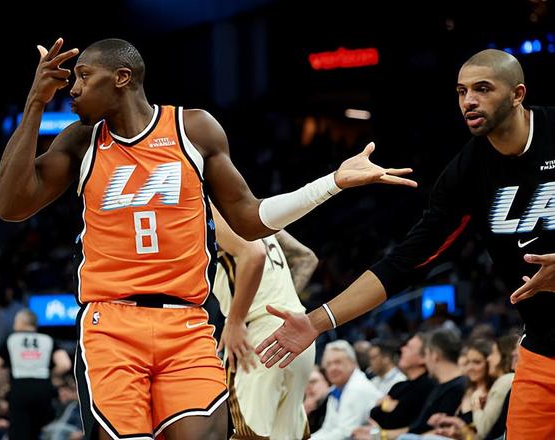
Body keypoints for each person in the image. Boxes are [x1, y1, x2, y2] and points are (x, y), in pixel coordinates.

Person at [0, 37, 416, 440]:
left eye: (84, 76)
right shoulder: (81, 140)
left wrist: (332, 182)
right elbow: (11, 205)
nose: (73, 88)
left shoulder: (193, 129)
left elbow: (251, 220)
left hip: (187, 324)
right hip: (111, 324)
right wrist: (35, 102)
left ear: (122, 77)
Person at [255, 48, 555, 439]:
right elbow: (405, 262)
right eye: (461, 91)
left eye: (483, 89)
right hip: (542, 349)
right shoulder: (466, 172)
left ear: (517, 94)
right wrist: (315, 322)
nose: (469, 100)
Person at [211, 205, 318, 439]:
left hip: (256, 331)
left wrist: (236, 320)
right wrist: (278, 307)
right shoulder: (256, 214)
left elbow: (254, 255)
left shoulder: (210, 210)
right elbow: (306, 258)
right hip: (298, 326)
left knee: (245, 433)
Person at [0, 309, 73, 440]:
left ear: (22, 322)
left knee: (19, 434)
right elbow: (65, 364)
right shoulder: (47, 339)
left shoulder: (11, 339)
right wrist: (50, 376)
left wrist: (7, 381)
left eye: (15, 321)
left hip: (20, 389)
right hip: (43, 390)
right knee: (40, 433)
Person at [310, 340, 382, 440]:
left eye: (338, 362)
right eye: (328, 364)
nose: (332, 368)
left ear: (353, 363)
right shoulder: (336, 389)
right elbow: (328, 429)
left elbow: (345, 434)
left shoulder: (357, 388)